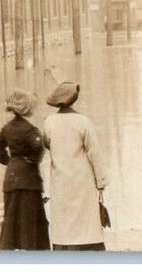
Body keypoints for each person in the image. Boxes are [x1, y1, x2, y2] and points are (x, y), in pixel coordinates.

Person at [42, 81, 109, 251]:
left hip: (60, 179)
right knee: (85, 219)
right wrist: (100, 181)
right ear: (74, 99)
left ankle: (64, 251)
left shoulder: (49, 122)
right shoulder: (84, 122)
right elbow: (95, 153)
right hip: (82, 180)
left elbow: (47, 144)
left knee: (64, 219)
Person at [0, 88, 50, 250]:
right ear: (27, 108)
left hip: (11, 179)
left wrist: (10, 162)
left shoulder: (7, 127)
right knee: (30, 221)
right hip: (29, 181)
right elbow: (38, 147)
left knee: (10, 219)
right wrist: (31, 161)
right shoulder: (31, 130)